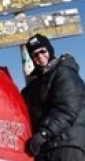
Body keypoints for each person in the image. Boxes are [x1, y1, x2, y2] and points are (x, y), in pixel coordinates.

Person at [21, 33, 85, 161]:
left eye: (42, 51)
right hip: (45, 149)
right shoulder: (34, 85)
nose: (40, 56)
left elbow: (67, 109)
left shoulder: (64, 72)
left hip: (68, 145)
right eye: (35, 54)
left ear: (49, 50)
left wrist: (43, 134)